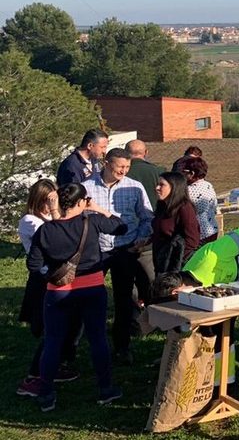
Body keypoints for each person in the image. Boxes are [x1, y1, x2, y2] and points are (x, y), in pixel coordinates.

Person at [160, 225, 239, 401]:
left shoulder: (210, 256)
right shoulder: (189, 288)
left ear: (177, 291)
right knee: (220, 335)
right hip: (232, 290)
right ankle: (223, 390)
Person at [27, 183, 127, 411]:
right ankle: (105, 388)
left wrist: (51, 275)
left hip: (58, 292)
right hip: (92, 288)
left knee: (53, 341)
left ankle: (46, 393)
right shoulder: (91, 222)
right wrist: (98, 208)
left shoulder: (46, 230)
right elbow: (121, 226)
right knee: (97, 338)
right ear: (82, 202)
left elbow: (33, 264)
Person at [84, 148, 153, 366]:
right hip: (97, 251)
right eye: (120, 166)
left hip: (126, 248)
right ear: (106, 163)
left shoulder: (135, 187)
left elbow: (147, 217)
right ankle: (88, 341)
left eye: (127, 167)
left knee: (124, 299)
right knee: (90, 297)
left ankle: (122, 346)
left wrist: (141, 238)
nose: (124, 171)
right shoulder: (86, 187)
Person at [17, 180, 80, 398]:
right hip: (43, 279)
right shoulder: (30, 221)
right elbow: (54, 239)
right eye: (49, 199)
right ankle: (34, 377)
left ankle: (55, 365)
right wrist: (57, 213)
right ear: (39, 200)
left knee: (66, 325)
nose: (54, 203)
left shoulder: (50, 218)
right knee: (50, 329)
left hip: (58, 276)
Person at [150, 171, 200, 275]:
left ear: (174, 187)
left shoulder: (185, 208)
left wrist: (175, 260)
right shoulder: (162, 206)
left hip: (176, 267)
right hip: (160, 263)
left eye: (162, 185)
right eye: (157, 184)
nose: (157, 188)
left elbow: (192, 240)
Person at [177, 157, 219, 245]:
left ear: (192, 173)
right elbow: (214, 206)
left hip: (199, 233)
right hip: (212, 229)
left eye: (184, 172)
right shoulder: (208, 185)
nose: (182, 174)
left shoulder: (189, 191)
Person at [125, 139, 163, 207]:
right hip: (155, 211)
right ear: (146, 152)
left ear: (125, 152)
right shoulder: (159, 171)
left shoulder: (121, 172)